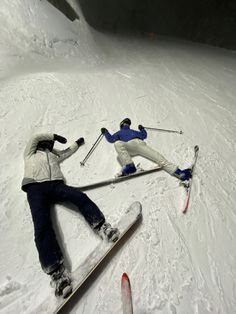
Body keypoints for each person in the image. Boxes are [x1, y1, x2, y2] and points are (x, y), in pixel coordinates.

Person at [21, 133, 119, 298]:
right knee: (42, 225)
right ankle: (57, 274)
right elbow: (35, 137)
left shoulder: (53, 155)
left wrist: (77, 143)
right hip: (35, 188)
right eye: (49, 142)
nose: (50, 145)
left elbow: (67, 152)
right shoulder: (30, 152)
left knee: (79, 196)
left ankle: (102, 227)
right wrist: (55, 136)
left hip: (56, 185)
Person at [101, 118, 192, 180]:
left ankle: (179, 173)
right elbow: (111, 139)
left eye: (127, 123)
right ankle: (129, 166)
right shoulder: (119, 132)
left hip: (140, 144)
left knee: (158, 157)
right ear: (122, 125)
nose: (126, 124)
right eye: (125, 123)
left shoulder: (132, 131)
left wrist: (142, 129)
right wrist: (106, 132)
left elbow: (144, 135)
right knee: (117, 143)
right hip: (129, 145)